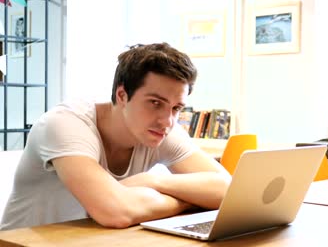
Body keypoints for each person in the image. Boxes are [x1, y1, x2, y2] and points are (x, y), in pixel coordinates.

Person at [0, 43, 232, 230]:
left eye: (176, 108)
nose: (167, 121)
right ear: (122, 95)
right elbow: (116, 212)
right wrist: (194, 200)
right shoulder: (65, 124)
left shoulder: (160, 130)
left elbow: (229, 191)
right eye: (155, 103)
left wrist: (155, 182)